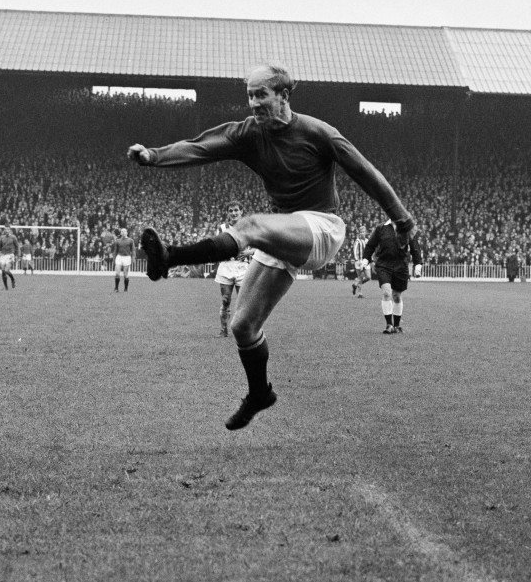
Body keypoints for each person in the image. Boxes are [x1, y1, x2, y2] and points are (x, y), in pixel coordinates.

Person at [127, 62, 417, 430]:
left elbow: (367, 174)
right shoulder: (249, 133)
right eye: (249, 95)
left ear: (283, 95)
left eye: (261, 94)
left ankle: (170, 258)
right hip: (282, 233)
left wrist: (402, 219)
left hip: (321, 228)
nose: (253, 102)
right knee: (243, 326)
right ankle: (259, 393)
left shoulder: (319, 133)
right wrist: (154, 155)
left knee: (249, 224)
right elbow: (201, 146)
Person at [361, 220, 422, 334]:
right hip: (384, 265)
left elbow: (415, 247)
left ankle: (397, 325)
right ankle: (389, 324)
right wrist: (365, 260)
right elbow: (370, 245)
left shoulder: (407, 229)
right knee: (386, 293)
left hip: (401, 266)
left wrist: (418, 265)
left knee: (397, 296)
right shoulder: (381, 228)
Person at [214, 201, 254, 337]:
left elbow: (259, 246)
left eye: (236, 210)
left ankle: (246, 331)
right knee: (226, 300)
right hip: (226, 267)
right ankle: (224, 330)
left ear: (241, 211)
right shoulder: (222, 228)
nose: (233, 213)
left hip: (243, 268)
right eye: (230, 211)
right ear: (227, 213)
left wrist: (249, 253)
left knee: (244, 302)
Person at [0, 225, 20, 289]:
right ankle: (6, 288)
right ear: (4, 230)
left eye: (8, 229)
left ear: (10, 230)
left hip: (10, 255)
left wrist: (18, 255)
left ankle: (13, 279)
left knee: (6, 270)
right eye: (5, 229)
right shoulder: (2, 237)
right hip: (3, 255)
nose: (6, 230)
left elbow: (17, 246)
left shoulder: (13, 237)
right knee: (3, 272)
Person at [350, 225, 371, 297]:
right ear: (359, 233)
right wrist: (357, 260)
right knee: (361, 277)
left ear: (366, 232)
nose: (362, 233)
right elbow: (355, 251)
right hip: (359, 261)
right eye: (361, 232)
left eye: (364, 231)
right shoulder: (357, 241)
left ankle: (355, 285)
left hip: (366, 261)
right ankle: (360, 293)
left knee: (368, 277)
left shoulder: (367, 240)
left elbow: (369, 250)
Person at [113, 227, 135, 292]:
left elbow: (133, 250)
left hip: (127, 257)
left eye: (124, 231)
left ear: (127, 232)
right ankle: (116, 288)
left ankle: (126, 289)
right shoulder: (117, 241)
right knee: (117, 273)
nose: (123, 232)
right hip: (119, 257)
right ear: (120, 233)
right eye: (122, 231)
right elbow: (115, 251)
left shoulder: (130, 240)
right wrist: (114, 260)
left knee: (125, 274)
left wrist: (133, 258)